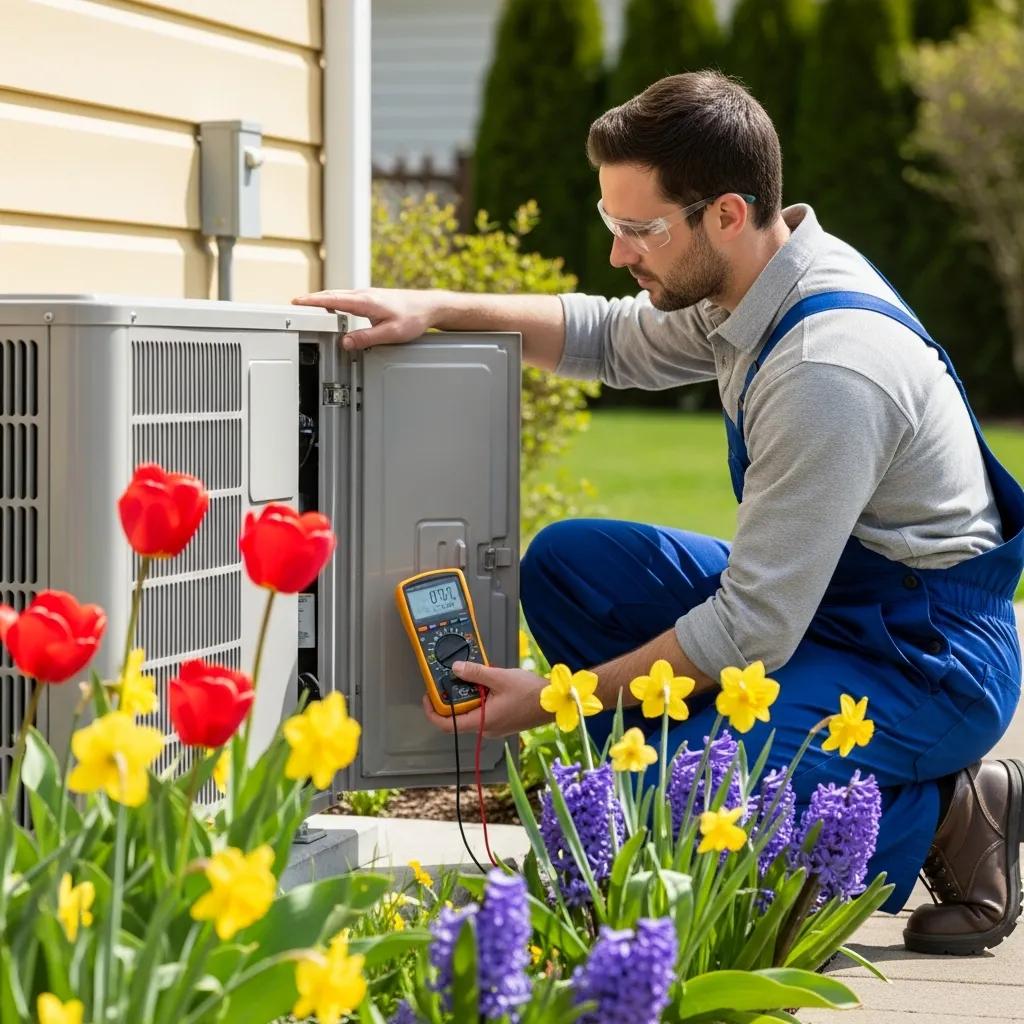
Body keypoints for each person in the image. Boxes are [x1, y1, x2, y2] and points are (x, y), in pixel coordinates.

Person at [294, 70, 1024, 955]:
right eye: (614, 225)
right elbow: (609, 336)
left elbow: (750, 628)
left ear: (725, 213)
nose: (619, 255)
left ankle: (949, 807)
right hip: (828, 606)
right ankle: (717, 759)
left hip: (926, 658)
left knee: (680, 826)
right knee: (569, 567)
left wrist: (554, 699)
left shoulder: (826, 369)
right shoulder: (751, 284)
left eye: (639, 231)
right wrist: (432, 308)